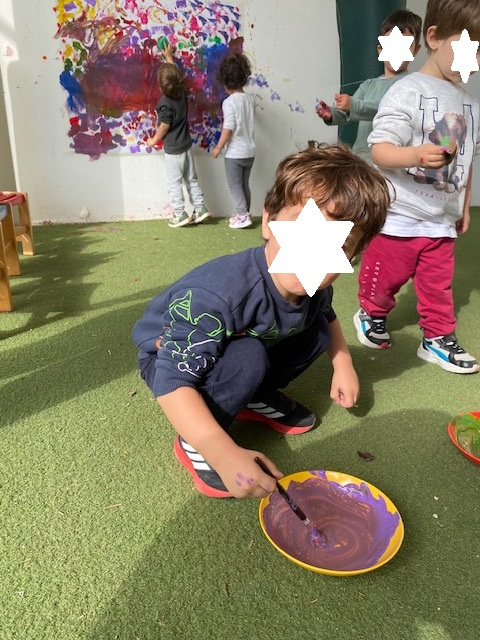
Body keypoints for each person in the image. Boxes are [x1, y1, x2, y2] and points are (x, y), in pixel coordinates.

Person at [132, 143, 391, 499]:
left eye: (338, 245)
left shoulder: (315, 286)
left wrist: (343, 363)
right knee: (247, 357)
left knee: (315, 330)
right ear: (269, 221)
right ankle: (195, 442)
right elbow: (172, 380)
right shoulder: (219, 295)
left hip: (234, 341)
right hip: (169, 356)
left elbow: (326, 315)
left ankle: (254, 396)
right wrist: (220, 451)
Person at [354, 0, 480, 374]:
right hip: (400, 213)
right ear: (434, 37)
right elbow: (380, 150)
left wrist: (464, 205)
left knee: (438, 286)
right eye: (469, 49)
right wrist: (416, 155)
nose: (474, 62)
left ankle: (437, 338)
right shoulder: (407, 90)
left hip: (441, 218)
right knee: (385, 278)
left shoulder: (471, 104)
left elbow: (468, 158)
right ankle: (371, 312)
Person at [317, 9, 422, 164]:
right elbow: (351, 112)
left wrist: (353, 105)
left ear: (415, 50)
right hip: (360, 159)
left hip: (388, 164)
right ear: (381, 49)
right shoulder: (368, 85)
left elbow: (382, 107)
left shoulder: (410, 85)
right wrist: (331, 114)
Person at [147, 43, 211, 228]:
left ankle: (180, 213)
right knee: (191, 179)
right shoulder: (181, 92)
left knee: (174, 183)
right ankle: (200, 208)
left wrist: (154, 140)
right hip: (186, 146)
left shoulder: (164, 103)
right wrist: (169, 58)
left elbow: (164, 125)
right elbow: (175, 76)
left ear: (161, 87)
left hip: (174, 151)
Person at [211, 52, 255, 229]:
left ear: (225, 82)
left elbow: (228, 127)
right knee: (244, 184)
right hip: (250, 152)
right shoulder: (249, 100)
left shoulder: (229, 102)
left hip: (235, 153)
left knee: (235, 185)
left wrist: (218, 147)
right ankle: (244, 213)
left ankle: (243, 215)